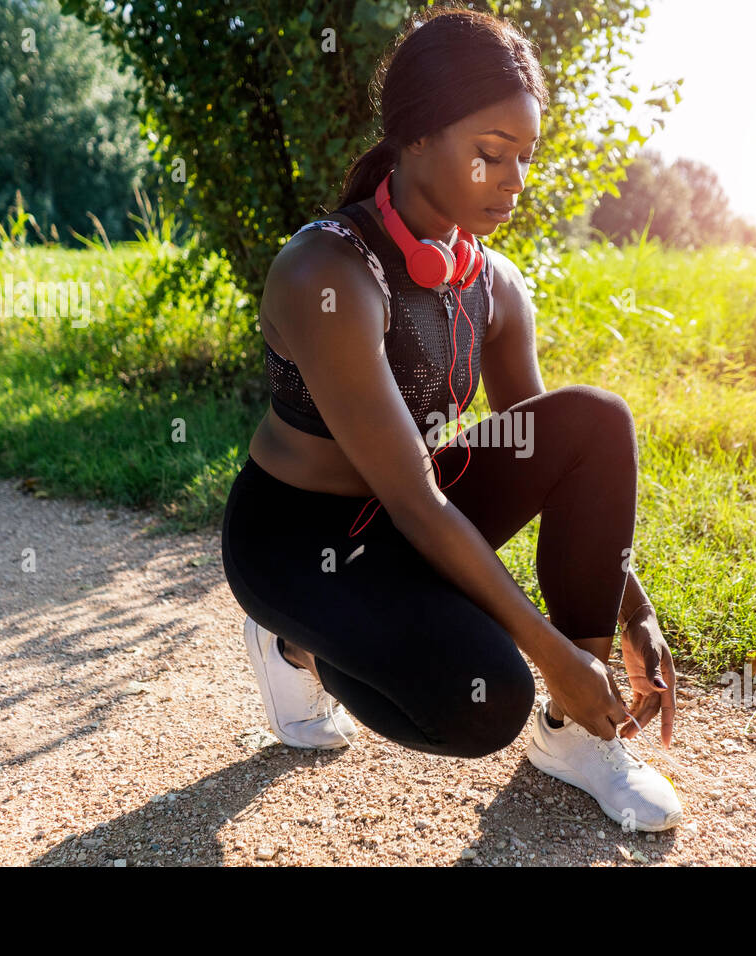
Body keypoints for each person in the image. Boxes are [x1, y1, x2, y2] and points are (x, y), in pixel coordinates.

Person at [220, 6, 681, 831]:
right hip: (297, 542)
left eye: (525, 159)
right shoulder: (326, 272)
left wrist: (628, 606)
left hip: (408, 519)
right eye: (491, 155)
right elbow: (416, 497)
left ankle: (579, 737)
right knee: (483, 700)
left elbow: (549, 448)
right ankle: (296, 642)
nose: (514, 181)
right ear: (416, 137)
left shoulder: (494, 284)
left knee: (595, 421)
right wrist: (555, 657)